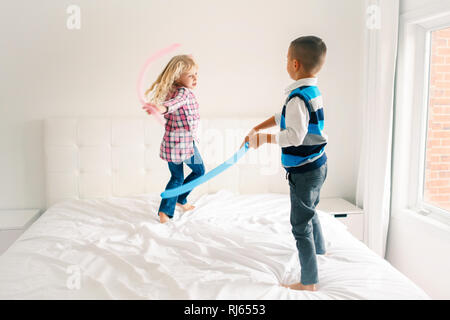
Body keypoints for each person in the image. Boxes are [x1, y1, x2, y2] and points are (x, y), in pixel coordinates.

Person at [242, 36, 328, 291]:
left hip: (304, 171)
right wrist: (259, 126)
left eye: (285, 60)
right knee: (311, 211)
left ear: (294, 63)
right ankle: (321, 250)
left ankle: (309, 281)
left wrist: (263, 138)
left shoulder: (296, 98)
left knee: (300, 225)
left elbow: (294, 136)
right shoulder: (311, 91)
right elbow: (286, 118)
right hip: (318, 164)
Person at [143, 54, 205, 224]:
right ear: (177, 76)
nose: (195, 78)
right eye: (190, 75)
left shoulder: (171, 91)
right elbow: (174, 104)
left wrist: (160, 108)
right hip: (183, 145)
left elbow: (170, 106)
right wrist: (161, 108)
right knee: (198, 172)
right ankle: (174, 203)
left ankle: (172, 205)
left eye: (196, 74)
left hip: (173, 143)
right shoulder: (182, 93)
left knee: (177, 177)